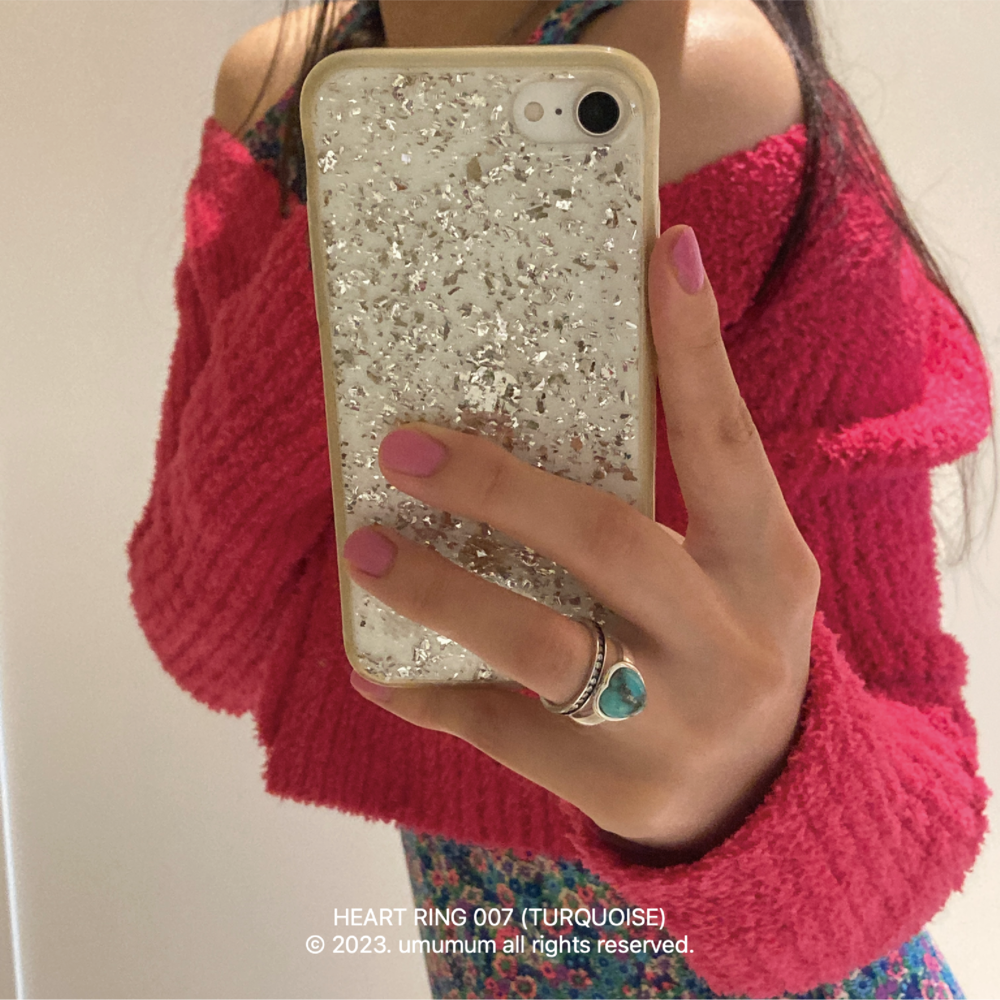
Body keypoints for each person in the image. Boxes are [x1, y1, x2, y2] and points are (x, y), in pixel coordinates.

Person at [127, 0, 995, 996]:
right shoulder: (279, 102)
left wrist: (750, 789)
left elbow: (916, 815)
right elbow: (208, 644)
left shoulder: (700, 82)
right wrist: (383, 217)